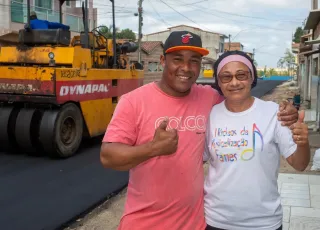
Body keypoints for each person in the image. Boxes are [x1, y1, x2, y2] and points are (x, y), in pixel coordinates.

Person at [100, 31, 299, 230]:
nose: (186, 68)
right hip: (143, 223)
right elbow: (108, 157)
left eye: (194, 61)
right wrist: (152, 148)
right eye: (177, 59)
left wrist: (285, 109)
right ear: (162, 60)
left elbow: (243, 104)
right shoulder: (133, 102)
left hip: (194, 223)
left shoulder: (209, 97)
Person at [203, 50, 310, 230]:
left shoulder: (274, 113)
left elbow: (299, 164)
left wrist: (303, 142)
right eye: (226, 77)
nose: (235, 82)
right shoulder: (210, 115)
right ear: (218, 82)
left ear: (252, 77)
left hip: (264, 222)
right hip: (216, 220)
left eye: (241, 75)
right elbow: (197, 161)